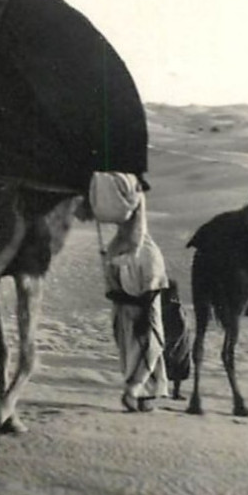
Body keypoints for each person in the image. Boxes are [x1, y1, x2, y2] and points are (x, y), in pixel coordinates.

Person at [91, 172, 172, 413]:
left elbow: (113, 290)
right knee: (152, 347)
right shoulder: (145, 252)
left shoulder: (117, 250)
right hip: (140, 308)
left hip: (128, 308)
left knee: (136, 349)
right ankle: (134, 391)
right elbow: (151, 292)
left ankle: (143, 394)